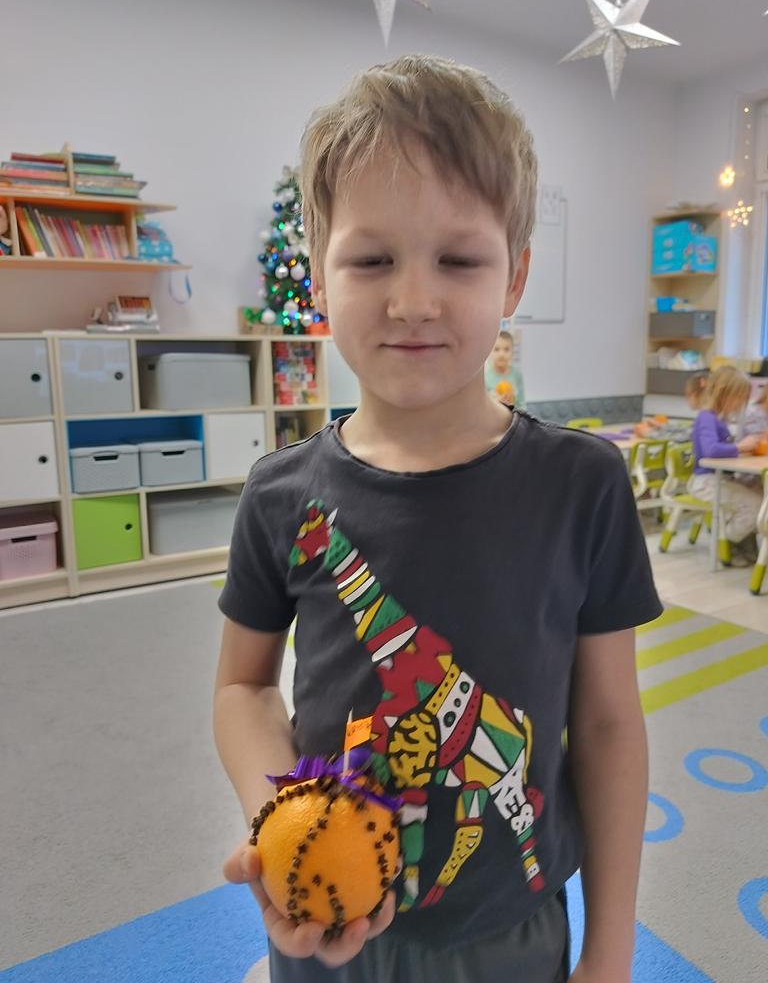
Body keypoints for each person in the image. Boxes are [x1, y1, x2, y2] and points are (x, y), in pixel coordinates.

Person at [214, 54, 662, 983]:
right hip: (328, 922)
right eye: (371, 259)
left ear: (515, 276)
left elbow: (609, 726)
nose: (413, 301)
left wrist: (611, 951)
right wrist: (283, 820)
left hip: (513, 936)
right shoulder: (280, 494)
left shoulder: (583, 484)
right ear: (320, 274)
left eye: (458, 260)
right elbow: (243, 688)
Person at [690, 366, 763, 566]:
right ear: (724, 393)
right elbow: (710, 450)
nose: (741, 403)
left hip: (719, 479)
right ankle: (725, 540)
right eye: (739, 397)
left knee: (760, 496)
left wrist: (743, 449)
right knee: (755, 505)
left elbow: (722, 450)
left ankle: (741, 543)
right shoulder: (706, 417)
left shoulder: (719, 419)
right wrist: (740, 447)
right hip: (706, 483)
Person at [485, 328, 525, 408]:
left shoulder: (517, 375)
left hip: (514, 413)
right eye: (496, 349)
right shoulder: (486, 377)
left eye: (506, 349)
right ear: (490, 352)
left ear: (512, 352)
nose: (501, 354)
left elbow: (521, 402)